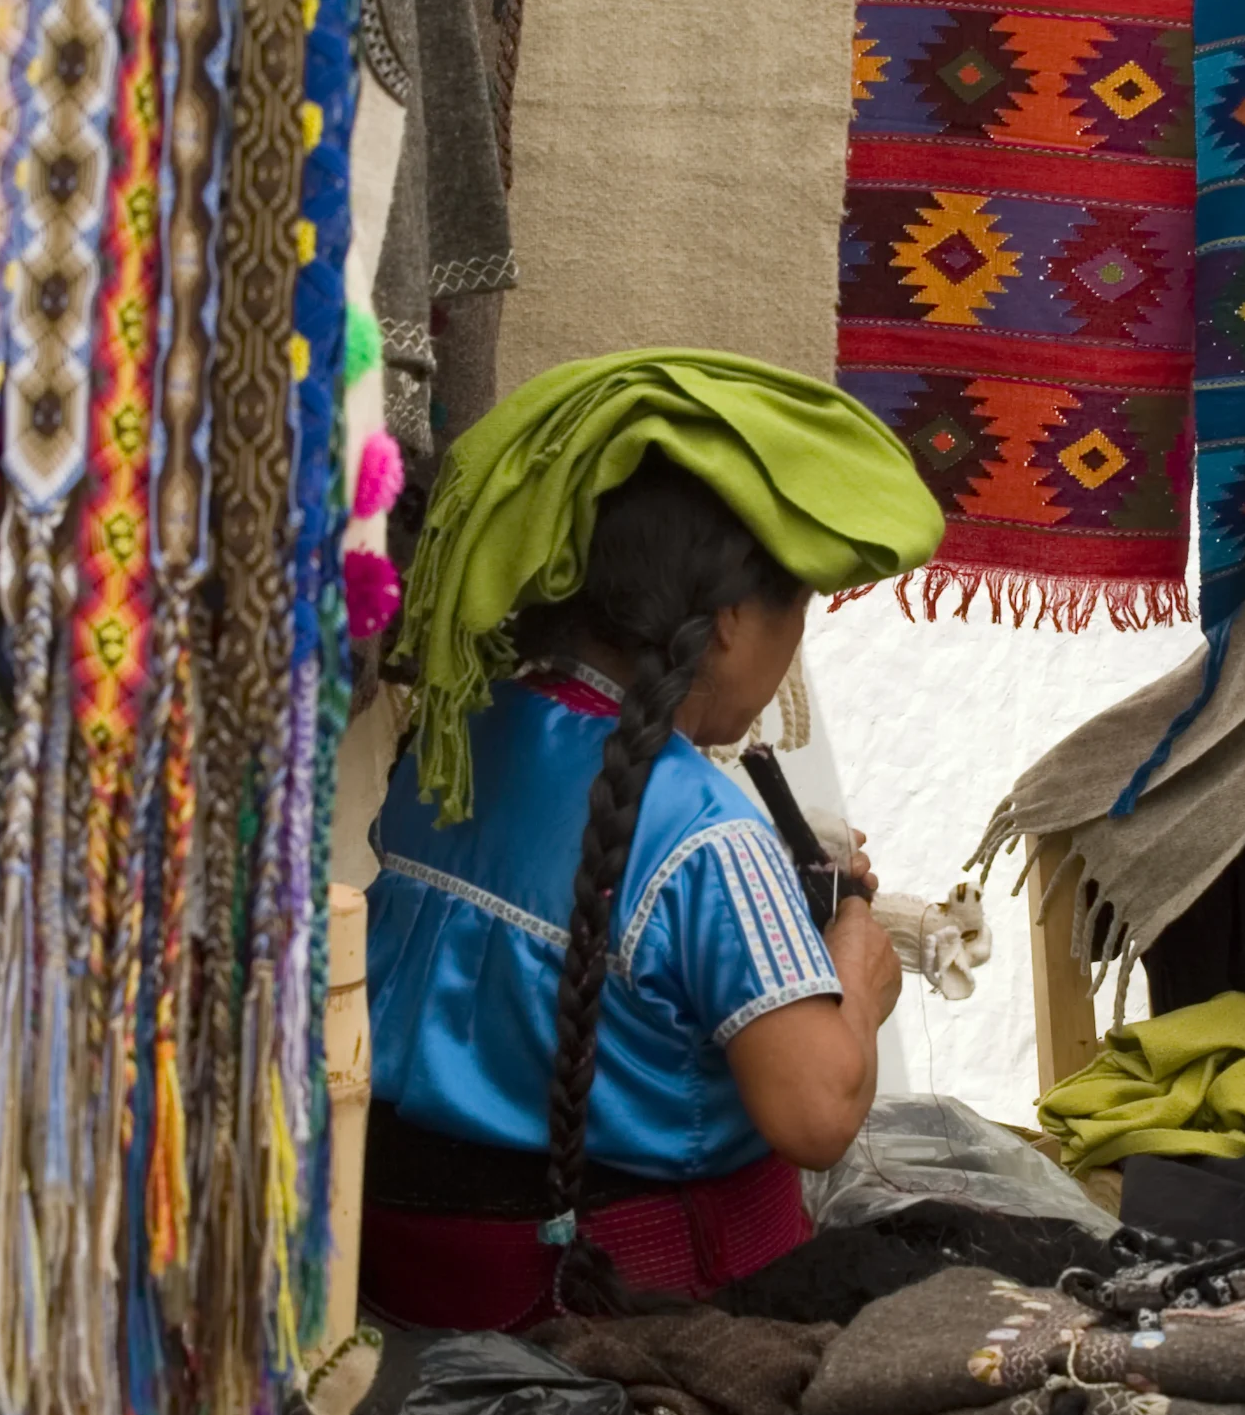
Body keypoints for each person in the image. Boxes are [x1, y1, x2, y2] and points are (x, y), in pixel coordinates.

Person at [362, 347, 944, 1329]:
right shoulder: (708, 834)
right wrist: (856, 972)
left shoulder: (455, 740)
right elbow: (817, 1116)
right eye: (795, 615)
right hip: (618, 1304)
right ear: (731, 622)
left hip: (404, 1276)